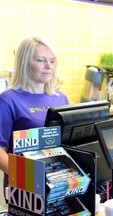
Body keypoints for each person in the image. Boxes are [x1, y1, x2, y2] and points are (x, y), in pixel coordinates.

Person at [0, 37, 69, 195]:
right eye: (41, 60)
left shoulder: (61, 98)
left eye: (52, 61)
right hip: (25, 187)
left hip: (60, 181)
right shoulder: (7, 100)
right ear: (25, 63)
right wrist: (30, 177)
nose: (48, 66)